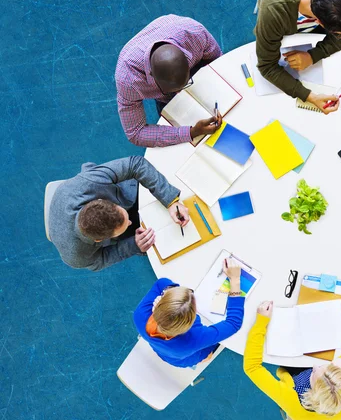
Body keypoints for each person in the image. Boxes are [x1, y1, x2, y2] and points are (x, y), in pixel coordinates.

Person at [49, 156, 189, 271]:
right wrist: (133, 245)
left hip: (107, 194)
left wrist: (171, 200)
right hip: (69, 228)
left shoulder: (90, 181)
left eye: (125, 219)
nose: (129, 223)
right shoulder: (76, 257)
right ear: (99, 240)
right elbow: (101, 260)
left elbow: (135, 164)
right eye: (125, 225)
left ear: (100, 199)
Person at [243, 301, 341, 420]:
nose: (314, 366)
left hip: (293, 373)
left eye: (314, 374)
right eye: (328, 367)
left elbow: (252, 367)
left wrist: (261, 323)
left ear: (312, 393)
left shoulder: (289, 398)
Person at [115, 14, 223, 147]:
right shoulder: (128, 79)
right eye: (173, 90)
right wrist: (191, 132)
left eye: (184, 84)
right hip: (163, 94)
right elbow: (135, 132)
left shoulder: (195, 34)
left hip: (195, 65)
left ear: (187, 57)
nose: (180, 94)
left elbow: (219, 63)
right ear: (151, 75)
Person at [133, 258, 245, 367]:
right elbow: (234, 323)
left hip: (168, 353)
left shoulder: (140, 315)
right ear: (193, 319)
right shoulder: (194, 338)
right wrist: (235, 280)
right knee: (207, 353)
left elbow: (161, 283)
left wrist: (167, 293)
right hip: (185, 356)